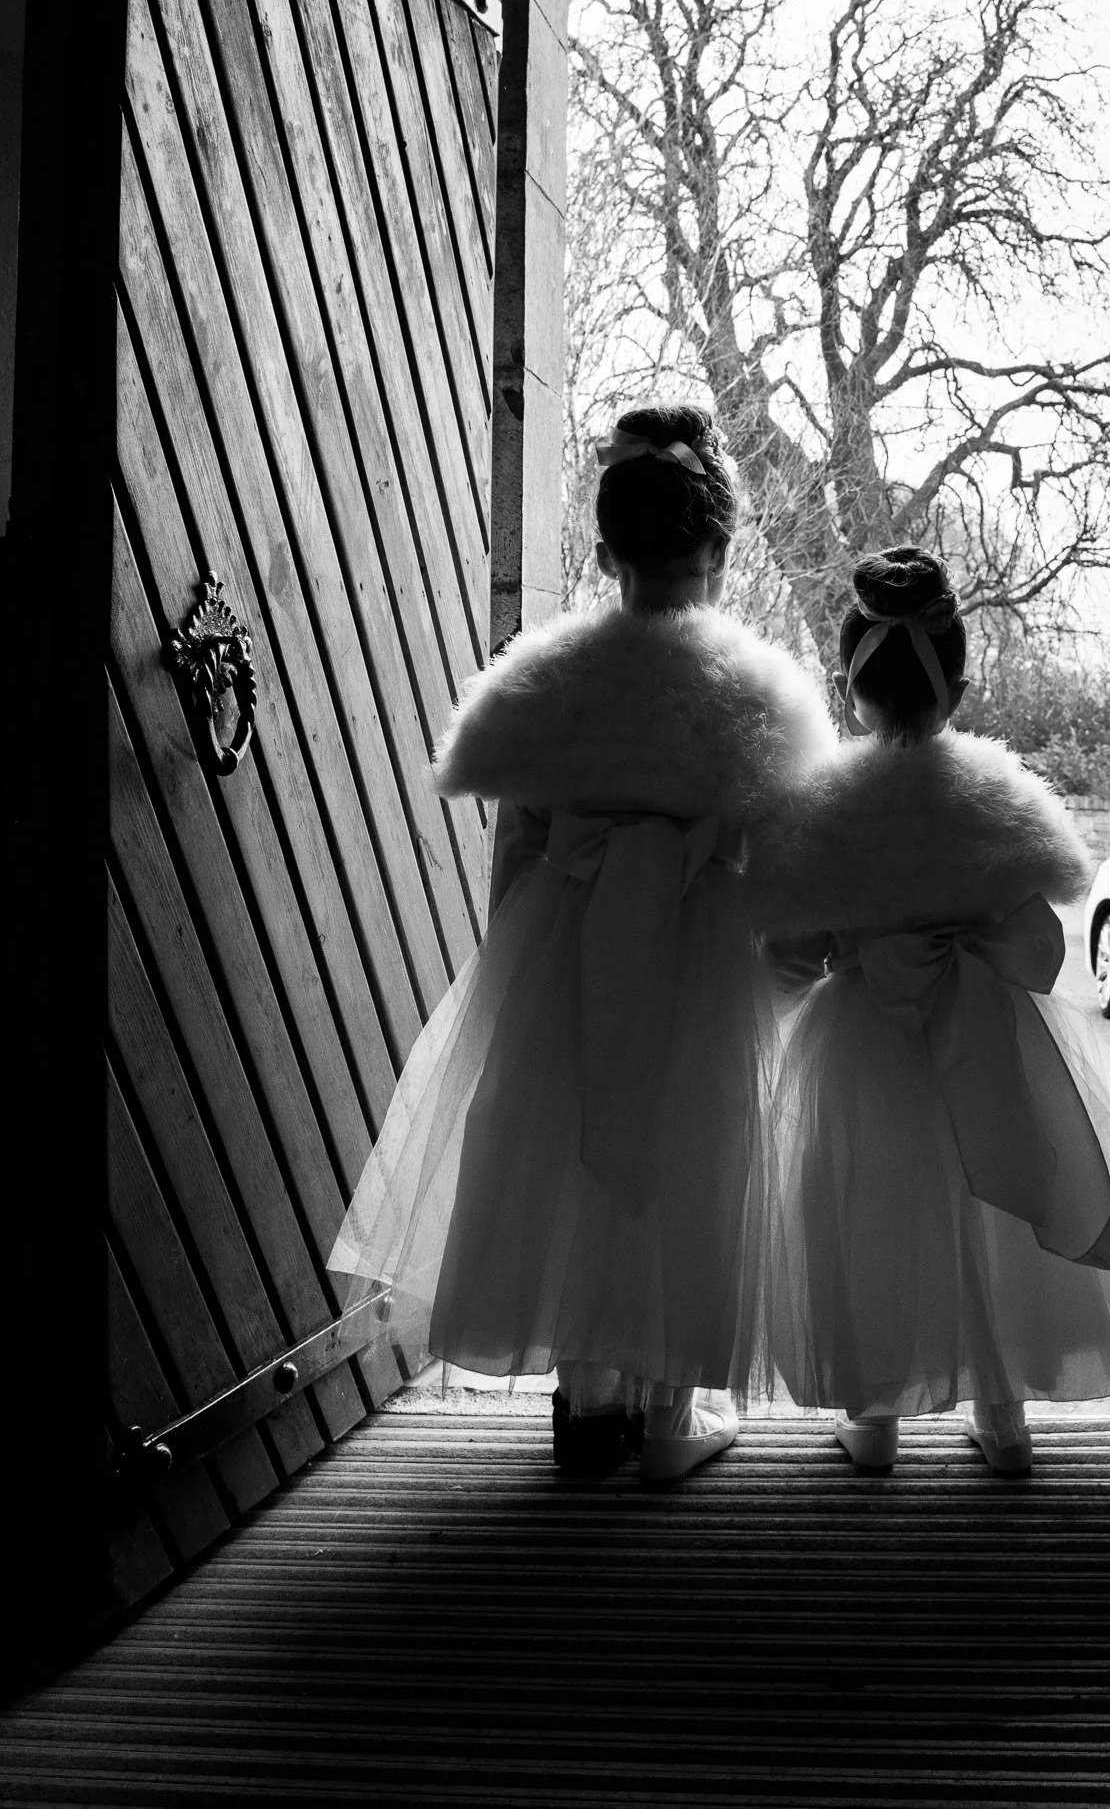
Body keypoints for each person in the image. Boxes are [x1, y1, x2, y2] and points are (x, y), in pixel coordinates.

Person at [329, 406, 835, 1480]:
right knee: (692, 1162)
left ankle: (585, 1400)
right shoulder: (755, 701)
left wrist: (524, 962)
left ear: (602, 550)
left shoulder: (544, 687)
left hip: (569, 954)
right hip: (699, 967)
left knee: (567, 1162)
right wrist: (782, 982)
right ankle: (670, 1408)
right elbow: (788, 877)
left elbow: (517, 859)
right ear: (723, 548)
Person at [744, 547, 1110, 1474]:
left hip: (861, 1043)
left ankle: (875, 1413)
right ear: (962, 685)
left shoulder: (821, 810)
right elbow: (1042, 951)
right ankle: (1004, 1411)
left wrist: (831, 974)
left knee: (871, 1214)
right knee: (1000, 1207)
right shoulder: (999, 801)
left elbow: (786, 953)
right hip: (986, 1036)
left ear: (848, 686)